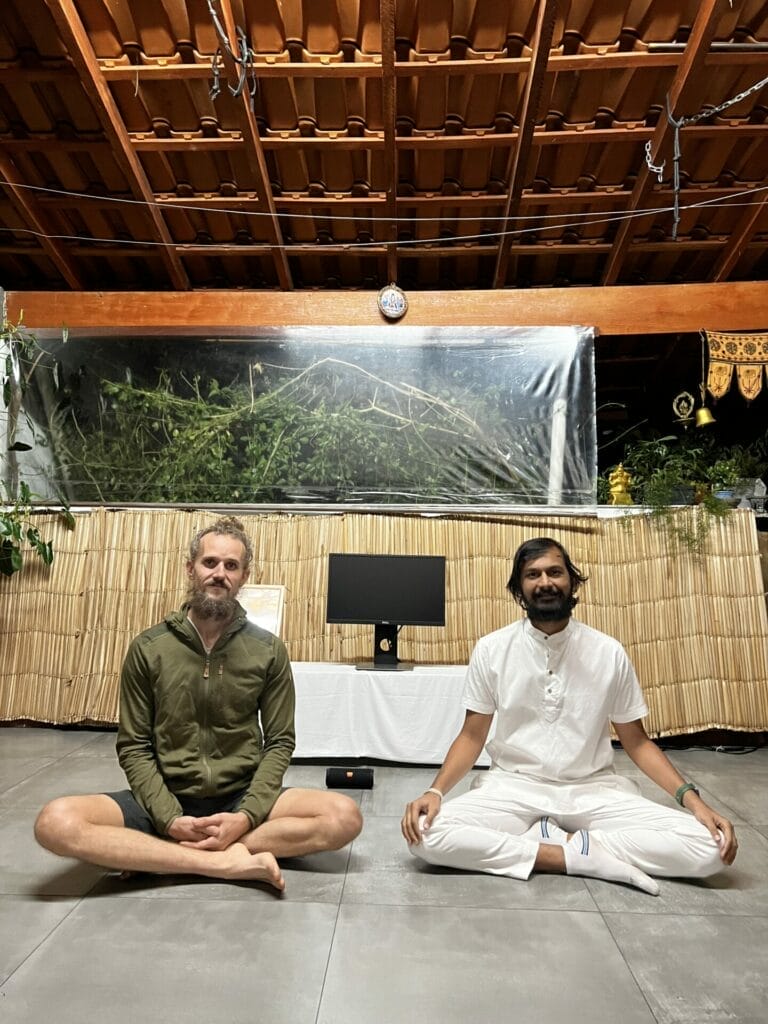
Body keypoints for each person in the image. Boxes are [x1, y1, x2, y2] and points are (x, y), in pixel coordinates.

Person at [35, 516, 362, 892]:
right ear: (191, 568)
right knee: (54, 822)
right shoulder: (149, 648)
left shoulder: (267, 651)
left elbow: (280, 742)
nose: (219, 573)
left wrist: (245, 815)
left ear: (244, 575)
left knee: (344, 817)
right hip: (164, 798)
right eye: (210, 563)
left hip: (241, 795)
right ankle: (220, 861)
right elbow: (134, 746)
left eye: (231, 565)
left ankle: (162, 858)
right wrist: (169, 817)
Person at [401, 537, 737, 895]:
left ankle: (552, 842)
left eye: (554, 572)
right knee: (424, 834)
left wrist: (694, 801)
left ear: (572, 582)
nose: (544, 582)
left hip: (592, 791)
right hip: (514, 788)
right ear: (519, 588)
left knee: (712, 848)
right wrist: (435, 791)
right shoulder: (492, 649)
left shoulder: (608, 652)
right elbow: (472, 736)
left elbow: (636, 742)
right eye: (532, 574)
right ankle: (575, 854)